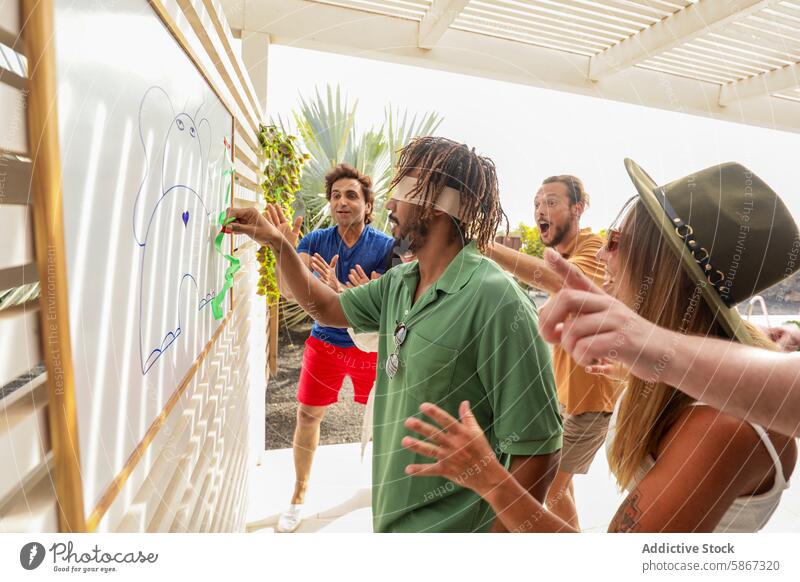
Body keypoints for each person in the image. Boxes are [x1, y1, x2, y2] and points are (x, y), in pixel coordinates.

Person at [402, 159, 798, 533]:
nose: (606, 255)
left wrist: (489, 477)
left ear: (659, 267)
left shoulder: (720, 426)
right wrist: (631, 366)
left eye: (617, 241)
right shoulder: (693, 380)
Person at [224, 136, 563, 532]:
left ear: (440, 204)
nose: (388, 205)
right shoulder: (401, 281)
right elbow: (327, 308)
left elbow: (539, 448)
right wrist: (278, 243)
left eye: (401, 190)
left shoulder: (497, 300)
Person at [485, 175, 617, 530]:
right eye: (537, 203)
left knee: (549, 489)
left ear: (578, 208)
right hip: (563, 398)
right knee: (563, 488)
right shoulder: (562, 253)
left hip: (591, 403)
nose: (541, 210)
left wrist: (486, 246)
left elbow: (560, 280)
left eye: (552, 202)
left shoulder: (593, 246)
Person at [268, 163, 394, 532]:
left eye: (351, 195)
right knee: (307, 416)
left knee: (385, 424)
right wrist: (285, 249)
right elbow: (288, 290)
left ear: (367, 205)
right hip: (325, 343)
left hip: (370, 348)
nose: (342, 201)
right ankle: (299, 493)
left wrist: (349, 293)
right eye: (336, 195)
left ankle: (387, 491)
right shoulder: (315, 241)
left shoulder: (386, 247)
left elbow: (390, 306)